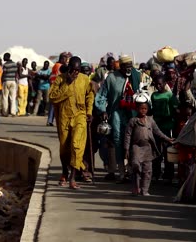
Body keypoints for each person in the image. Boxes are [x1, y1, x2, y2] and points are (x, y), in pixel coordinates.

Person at [49, 56, 94, 189]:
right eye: (73, 70)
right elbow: (53, 97)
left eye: (78, 70)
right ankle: (64, 171)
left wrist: (89, 112)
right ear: (69, 68)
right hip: (64, 116)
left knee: (76, 145)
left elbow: (90, 96)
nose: (75, 73)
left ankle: (73, 178)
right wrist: (66, 84)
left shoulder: (85, 79)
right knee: (64, 147)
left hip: (80, 115)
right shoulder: (60, 79)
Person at [95, 55, 141, 182]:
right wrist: (102, 110)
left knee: (133, 141)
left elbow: (142, 93)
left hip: (133, 114)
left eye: (131, 66)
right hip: (116, 114)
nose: (129, 68)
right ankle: (122, 172)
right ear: (120, 66)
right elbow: (102, 96)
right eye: (126, 66)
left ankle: (133, 171)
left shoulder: (136, 76)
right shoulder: (112, 78)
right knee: (118, 140)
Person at [124, 100, 173, 196]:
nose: (143, 110)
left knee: (147, 170)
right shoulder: (133, 121)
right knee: (136, 166)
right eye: (141, 108)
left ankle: (144, 190)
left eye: (145, 109)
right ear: (137, 109)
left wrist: (168, 139)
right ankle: (136, 188)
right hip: (136, 147)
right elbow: (127, 135)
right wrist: (126, 149)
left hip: (148, 148)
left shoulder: (150, 120)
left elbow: (157, 132)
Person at [150, 76, 178, 183]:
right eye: (156, 84)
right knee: (156, 151)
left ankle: (168, 175)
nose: (158, 86)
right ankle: (155, 173)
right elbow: (153, 109)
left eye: (160, 84)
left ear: (165, 83)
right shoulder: (154, 95)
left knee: (168, 152)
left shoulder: (170, 96)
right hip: (156, 127)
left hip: (167, 127)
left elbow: (174, 111)